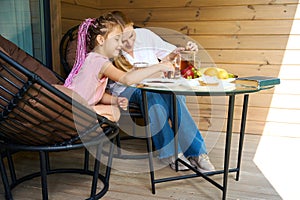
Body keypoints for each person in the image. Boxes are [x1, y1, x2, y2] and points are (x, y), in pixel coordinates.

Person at [109, 11, 215, 172]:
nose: (129, 42)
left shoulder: (145, 35)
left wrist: (189, 51)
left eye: (131, 35)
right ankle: (172, 153)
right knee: (151, 96)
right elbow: (131, 79)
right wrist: (159, 69)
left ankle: (197, 153)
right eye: (123, 39)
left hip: (155, 84)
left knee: (175, 94)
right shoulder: (112, 49)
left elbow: (173, 56)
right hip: (127, 89)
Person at [63, 13, 175, 123]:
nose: (121, 44)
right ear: (101, 40)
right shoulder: (98, 61)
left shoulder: (96, 60)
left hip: (79, 106)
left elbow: (97, 95)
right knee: (114, 112)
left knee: (114, 112)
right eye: (117, 39)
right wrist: (159, 66)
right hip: (71, 108)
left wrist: (116, 100)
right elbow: (127, 79)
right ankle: (86, 122)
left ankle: (89, 125)